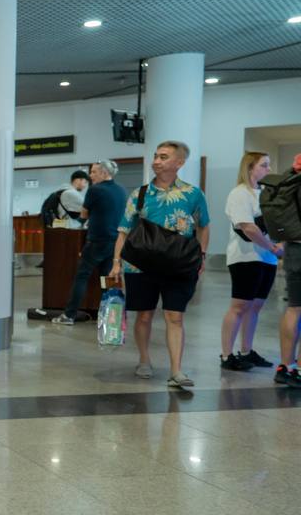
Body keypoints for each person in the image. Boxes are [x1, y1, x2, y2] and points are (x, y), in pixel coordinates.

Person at [111, 140, 210, 390]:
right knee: (144, 315)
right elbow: (123, 231)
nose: (156, 161)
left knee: (175, 316)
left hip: (179, 263)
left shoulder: (193, 194)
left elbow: (203, 225)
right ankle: (144, 359)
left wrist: (202, 255)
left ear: (179, 162)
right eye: (156, 156)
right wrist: (116, 263)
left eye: (163, 157)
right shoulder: (140, 194)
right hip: (141, 265)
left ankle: (176, 371)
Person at [221, 152, 283, 371]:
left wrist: (278, 245)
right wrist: (273, 247)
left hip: (267, 259)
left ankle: (246, 351)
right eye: (264, 165)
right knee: (239, 307)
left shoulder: (265, 195)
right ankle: (227, 355)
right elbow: (248, 228)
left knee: (255, 307)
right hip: (246, 257)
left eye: (269, 165)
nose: (268, 169)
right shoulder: (240, 193)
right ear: (250, 168)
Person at [52, 160, 128, 325]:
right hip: (115, 241)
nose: (91, 176)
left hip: (97, 241)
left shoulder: (95, 190)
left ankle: (69, 315)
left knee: (82, 276)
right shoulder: (121, 189)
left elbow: (84, 214)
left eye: (94, 172)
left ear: (104, 173)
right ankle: (111, 317)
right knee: (107, 279)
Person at [278, 155, 301, 388]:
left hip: (293, 249)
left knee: (294, 308)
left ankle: (285, 366)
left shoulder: (289, 178)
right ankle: (300, 370)